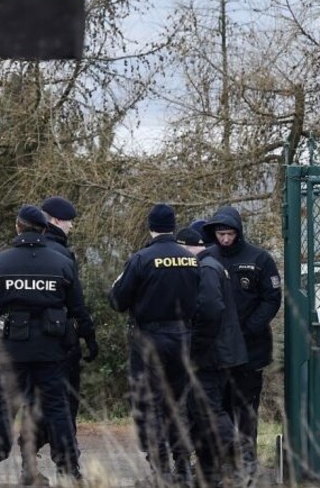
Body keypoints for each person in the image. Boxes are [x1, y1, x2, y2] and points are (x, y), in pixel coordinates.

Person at [0, 205, 86, 488]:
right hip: (51, 350)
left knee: (2, 409)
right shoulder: (61, 262)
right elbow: (77, 309)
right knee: (57, 410)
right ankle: (69, 471)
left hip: (12, 349)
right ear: (45, 229)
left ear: (17, 227)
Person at [110, 204, 218, 487]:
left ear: (150, 226)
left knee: (150, 405)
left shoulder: (142, 259)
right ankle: (182, 464)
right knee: (178, 404)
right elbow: (200, 300)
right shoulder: (191, 259)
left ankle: (160, 469)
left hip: (150, 340)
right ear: (173, 226)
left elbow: (118, 300)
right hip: (183, 337)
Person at [16, 196, 98, 485]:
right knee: (63, 405)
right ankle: (68, 468)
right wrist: (88, 336)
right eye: (68, 222)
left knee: (34, 403)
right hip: (60, 341)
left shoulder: (21, 251)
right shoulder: (61, 255)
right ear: (54, 221)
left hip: (23, 341)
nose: (72, 227)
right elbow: (76, 303)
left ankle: (29, 464)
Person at [201, 206, 282, 478]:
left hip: (251, 348)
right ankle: (223, 459)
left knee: (246, 407)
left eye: (229, 233)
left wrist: (248, 328)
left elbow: (271, 298)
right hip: (218, 350)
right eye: (221, 234)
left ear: (238, 232)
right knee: (219, 407)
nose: (225, 239)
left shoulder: (259, 259)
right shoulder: (207, 257)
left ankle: (248, 460)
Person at [176, 226, 247, 487]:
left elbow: (210, 309)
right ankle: (208, 474)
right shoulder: (213, 265)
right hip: (220, 352)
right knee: (201, 411)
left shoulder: (205, 269)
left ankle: (236, 451)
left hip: (211, 356)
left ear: (188, 247)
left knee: (209, 409)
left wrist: (196, 348)